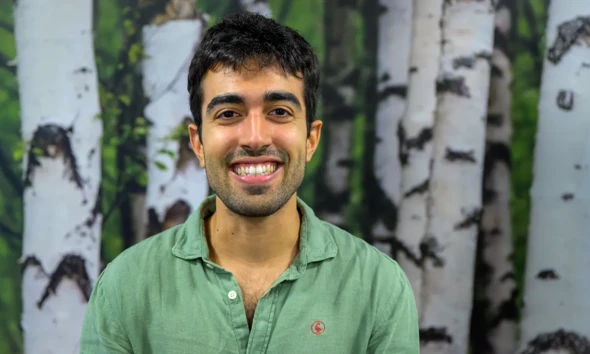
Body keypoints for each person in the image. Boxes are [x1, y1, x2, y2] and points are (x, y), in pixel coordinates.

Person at [80, 11, 419, 353]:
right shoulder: (124, 287)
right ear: (197, 143)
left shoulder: (379, 287)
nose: (255, 138)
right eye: (229, 114)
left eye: (279, 112)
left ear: (310, 140)